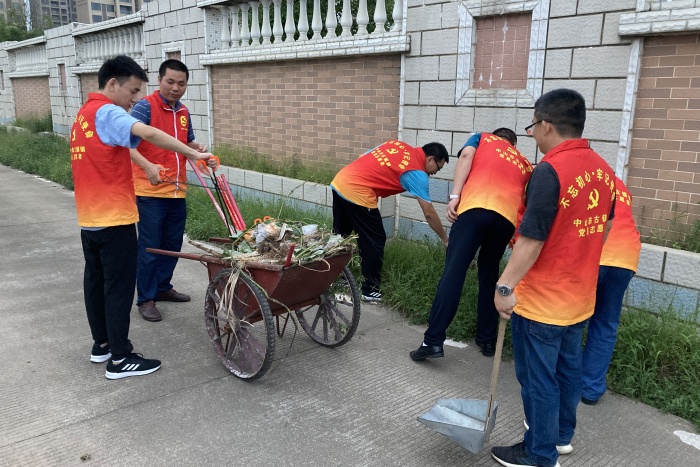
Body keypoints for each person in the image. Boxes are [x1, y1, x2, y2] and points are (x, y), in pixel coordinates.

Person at [490, 89, 616, 467]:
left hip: (543, 302)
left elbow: (531, 240)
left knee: (538, 380)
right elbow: (605, 226)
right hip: (580, 297)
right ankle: (560, 436)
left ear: (546, 125)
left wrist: (504, 286)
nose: (532, 135)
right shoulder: (603, 169)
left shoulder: (550, 170)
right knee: (568, 370)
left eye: (532, 127)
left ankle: (539, 454)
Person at [71, 55, 216, 380]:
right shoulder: (108, 111)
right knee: (119, 288)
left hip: (90, 219)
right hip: (114, 218)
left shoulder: (84, 115)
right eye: (133, 90)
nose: (134, 98)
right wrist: (192, 153)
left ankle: (102, 345)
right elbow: (146, 133)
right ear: (113, 84)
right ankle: (120, 359)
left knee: (96, 282)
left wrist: (190, 147)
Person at [410, 128, 532, 361]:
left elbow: (466, 156)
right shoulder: (524, 162)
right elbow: (524, 201)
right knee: (489, 275)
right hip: (505, 220)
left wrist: (455, 196)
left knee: (454, 272)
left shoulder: (482, 138)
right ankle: (487, 339)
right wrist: (515, 237)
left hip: (474, 209)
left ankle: (432, 341)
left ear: (496, 137)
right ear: (513, 145)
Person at [130, 59, 206, 322]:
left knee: (172, 244)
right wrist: (147, 166)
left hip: (177, 190)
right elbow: (125, 144)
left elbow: (187, 143)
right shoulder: (144, 107)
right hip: (150, 192)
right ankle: (146, 299)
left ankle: (162, 287)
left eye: (181, 83)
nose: (175, 88)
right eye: (170, 82)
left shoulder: (183, 111)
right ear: (159, 80)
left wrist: (198, 149)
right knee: (151, 247)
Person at [331, 140, 450, 301]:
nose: (435, 172)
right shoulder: (417, 172)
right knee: (374, 239)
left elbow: (362, 156)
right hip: (358, 191)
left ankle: (331, 277)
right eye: (438, 168)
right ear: (430, 159)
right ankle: (370, 290)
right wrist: (445, 239)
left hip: (341, 181)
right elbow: (429, 213)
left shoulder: (396, 145)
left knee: (340, 235)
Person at [581, 177, 641, 405]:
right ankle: (591, 389)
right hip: (626, 257)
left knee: (571, 319)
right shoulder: (620, 185)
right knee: (606, 323)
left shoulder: (584, 177)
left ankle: (563, 381)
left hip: (597, 252)